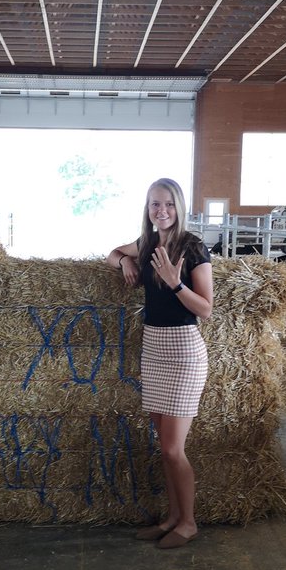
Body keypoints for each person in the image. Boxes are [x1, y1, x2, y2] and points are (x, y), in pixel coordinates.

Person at [107, 178, 213, 549]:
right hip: (154, 348)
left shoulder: (193, 247)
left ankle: (188, 522)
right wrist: (123, 262)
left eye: (167, 204)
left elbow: (207, 309)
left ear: (178, 207)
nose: (161, 211)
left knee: (172, 449)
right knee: (163, 444)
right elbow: (111, 252)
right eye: (154, 204)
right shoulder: (148, 243)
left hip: (184, 351)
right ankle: (171, 517)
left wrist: (174, 283)